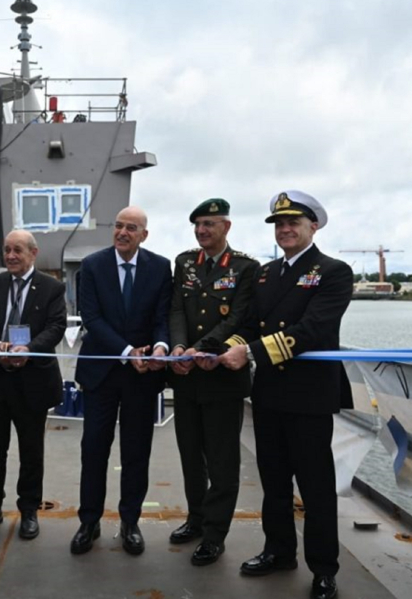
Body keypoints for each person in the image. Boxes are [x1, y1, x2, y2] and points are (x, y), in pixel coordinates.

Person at [214, 191, 353, 599]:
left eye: (293, 222)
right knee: (274, 482)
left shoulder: (333, 272)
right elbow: (250, 324)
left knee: (315, 488)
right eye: (279, 224)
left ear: (313, 226)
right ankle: (278, 551)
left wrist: (249, 353)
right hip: (271, 394)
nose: (285, 229)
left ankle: (324, 569)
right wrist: (224, 349)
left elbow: (313, 329)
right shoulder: (266, 274)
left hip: (309, 396)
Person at [70, 205, 172, 556]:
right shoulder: (92, 266)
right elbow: (92, 318)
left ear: (144, 235)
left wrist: (160, 347)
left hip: (142, 379)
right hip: (101, 374)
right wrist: (128, 351)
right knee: (93, 450)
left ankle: (130, 522)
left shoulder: (160, 267)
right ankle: (89, 521)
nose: (122, 232)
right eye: (118, 226)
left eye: (131, 228)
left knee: (136, 452)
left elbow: (162, 317)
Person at [166, 198, 258, 566]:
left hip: (221, 378)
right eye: (198, 224)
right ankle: (196, 518)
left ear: (226, 227)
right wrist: (178, 348)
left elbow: (239, 316)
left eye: (209, 224)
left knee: (221, 461)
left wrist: (201, 348)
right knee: (191, 456)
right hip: (187, 376)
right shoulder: (185, 262)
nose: (202, 231)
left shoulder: (245, 267)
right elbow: (176, 308)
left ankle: (215, 534)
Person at [0, 230, 66, 541]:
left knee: (31, 453)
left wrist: (29, 349)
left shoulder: (51, 287)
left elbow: (56, 326)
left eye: (17, 250)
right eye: (7, 249)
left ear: (33, 253)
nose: (10, 256)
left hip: (32, 381)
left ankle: (29, 511)